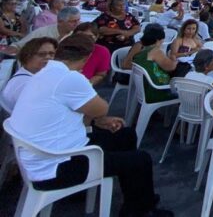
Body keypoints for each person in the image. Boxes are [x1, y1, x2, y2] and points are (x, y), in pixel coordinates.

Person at [7, 34, 173, 216]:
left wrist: (97, 119)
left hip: (42, 156)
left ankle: (134, 192)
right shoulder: (69, 78)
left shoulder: (44, 73)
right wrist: (93, 104)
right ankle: (138, 210)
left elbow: (79, 112)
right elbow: (102, 108)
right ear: (87, 58)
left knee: (125, 135)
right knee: (141, 160)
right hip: (55, 167)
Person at [1, 37, 57, 112]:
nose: (48, 57)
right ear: (27, 56)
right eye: (41, 54)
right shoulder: (27, 83)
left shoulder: (30, 73)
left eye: (51, 54)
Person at [133, 25, 179, 104]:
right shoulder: (156, 51)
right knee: (183, 90)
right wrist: (174, 58)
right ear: (158, 39)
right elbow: (171, 67)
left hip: (145, 88)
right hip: (156, 91)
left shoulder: (141, 49)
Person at [12, 6, 80, 50]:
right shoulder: (42, 32)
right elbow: (18, 46)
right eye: (73, 21)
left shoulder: (78, 34)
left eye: (78, 20)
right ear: (60, 21)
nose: (77, 23)